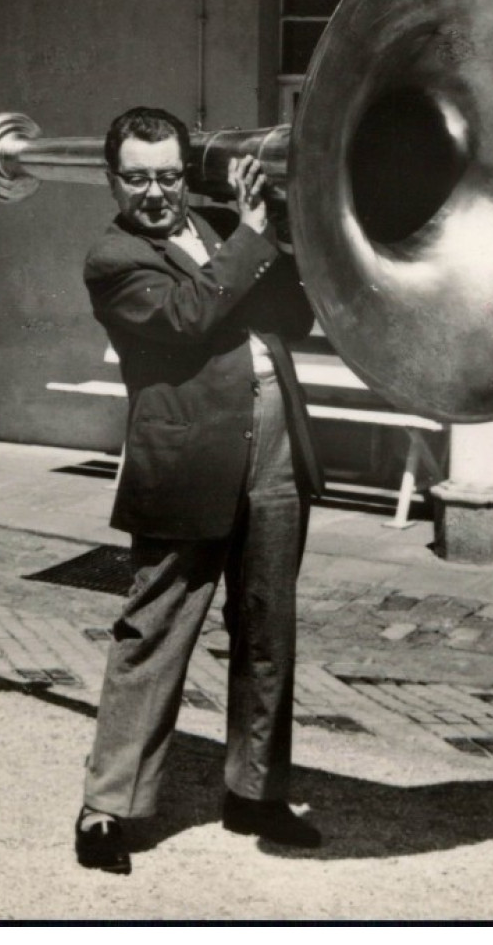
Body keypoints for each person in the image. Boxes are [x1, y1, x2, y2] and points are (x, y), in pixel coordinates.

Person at [74, 107, 327, 875]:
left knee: (266, 627)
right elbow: (187, 318)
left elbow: (296, 316)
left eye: (168, 175)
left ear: (187, 172)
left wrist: (278, 229)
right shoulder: (113, 256)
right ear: (112, 178)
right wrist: (251, 237)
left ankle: (255, 790)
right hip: (188, 455)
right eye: (137, 177)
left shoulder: (225, 229)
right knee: (154, 630)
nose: (155, 192)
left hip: (273, 437)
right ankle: (107, 809)